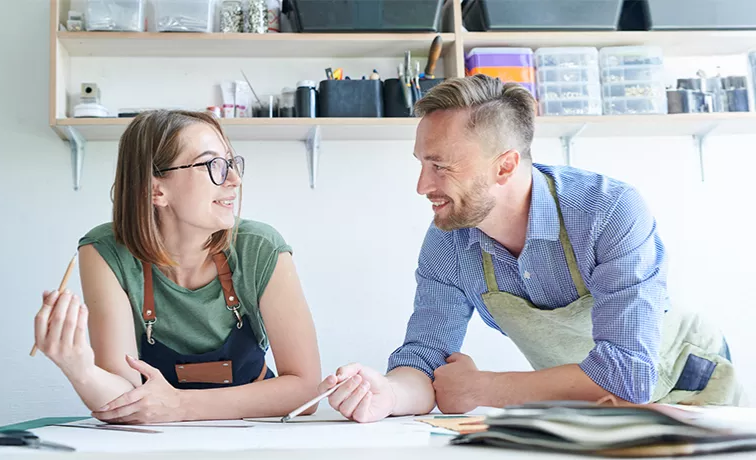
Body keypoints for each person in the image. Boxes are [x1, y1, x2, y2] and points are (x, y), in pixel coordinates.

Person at [317, 75, 744, 423]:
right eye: (422, 163)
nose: (422, 186)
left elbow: (628, 374)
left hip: (692, 388)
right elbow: (426, 359)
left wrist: (487, 388)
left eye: (441, 166)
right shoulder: (449, 242)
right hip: (590, 409)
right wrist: (387, 392)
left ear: (504, 166)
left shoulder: (608, 210)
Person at [34, 110, 321, 423]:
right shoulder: (105, 252)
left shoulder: (260, 247)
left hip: (258, 434)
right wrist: (80, 367)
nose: (234, 180)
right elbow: (124, 401)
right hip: (157, 443)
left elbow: (307, 392)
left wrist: (181, 406)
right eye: (213, 165)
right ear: (157, 190)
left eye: (231, 162)